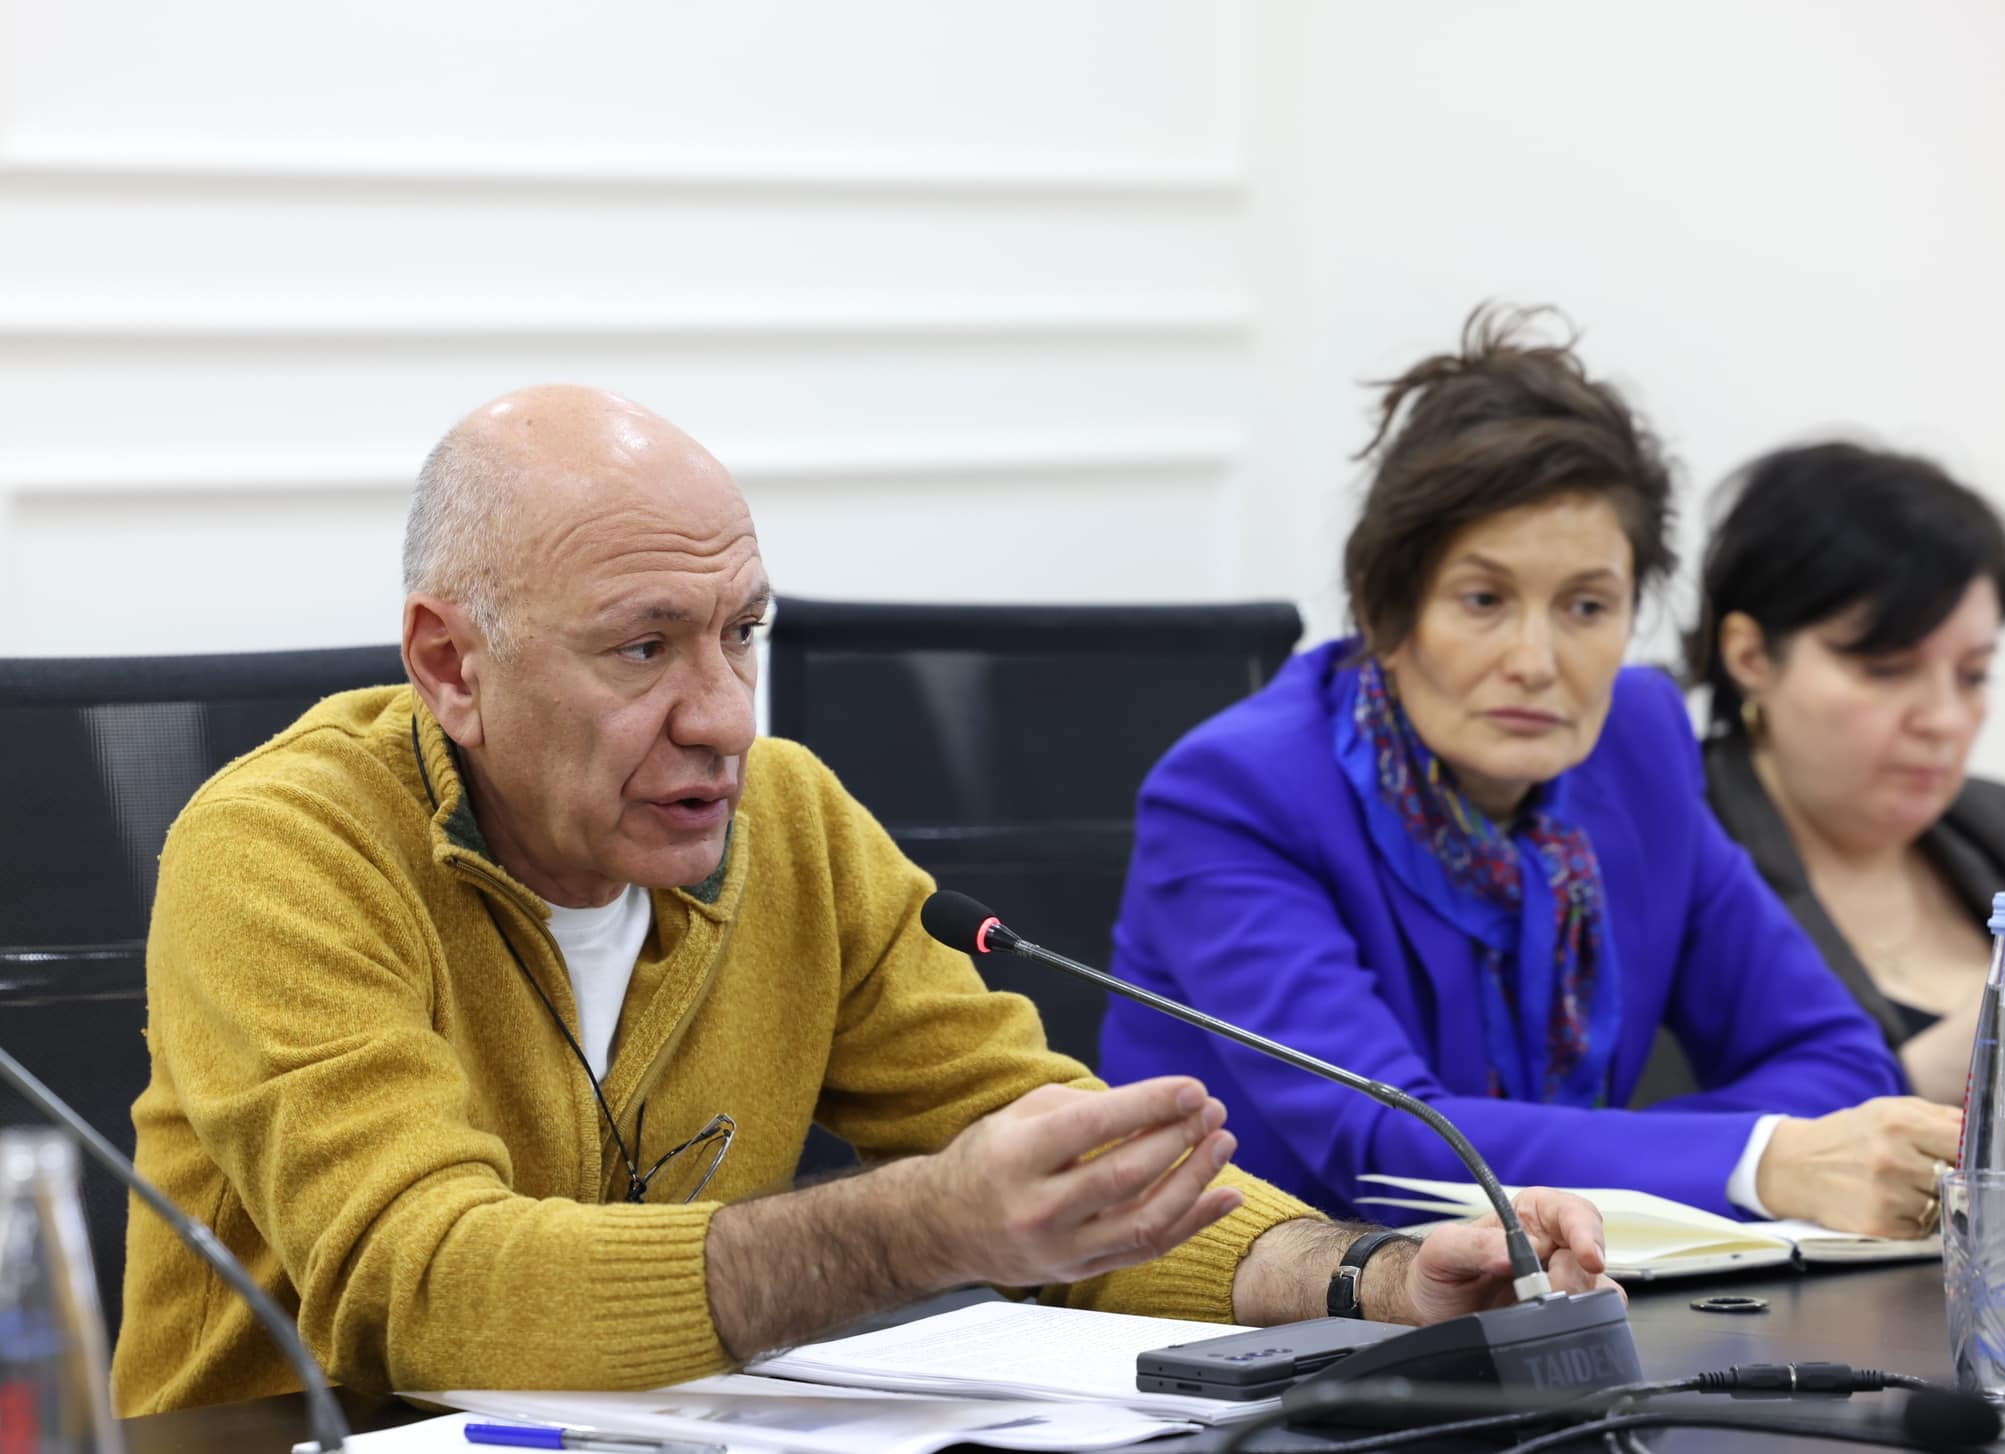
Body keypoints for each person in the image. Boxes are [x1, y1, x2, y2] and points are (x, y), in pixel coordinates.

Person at [111, 385, 1612, 1415]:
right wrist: (914, 1228)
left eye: (741, 632)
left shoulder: (786, 823)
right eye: (642, 647)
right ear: (450, 664)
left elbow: (1058, 1158)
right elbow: (423, 1285)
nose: (722, 714)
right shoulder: (282, 849)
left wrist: (1367, 1274)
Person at [1099, 307, 1958, 1242]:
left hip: (1574, 1287)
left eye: (1586, 606)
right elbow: (1386, 1144)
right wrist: (1757, 1162)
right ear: (1385, 609)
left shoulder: (1638, 744)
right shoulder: (1235, 794)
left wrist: (1672, 1160)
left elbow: (1838, 1058)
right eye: (1483, 599)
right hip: (1261, 1297)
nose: (1536, 662)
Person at [1686, 441, 2005, 1106]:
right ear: (1750, 655)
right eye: (1886, 669)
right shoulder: (1670, 855)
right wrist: (1924, 1077)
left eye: (1973, 675)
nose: (1944, 719)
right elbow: (1645, 1126)